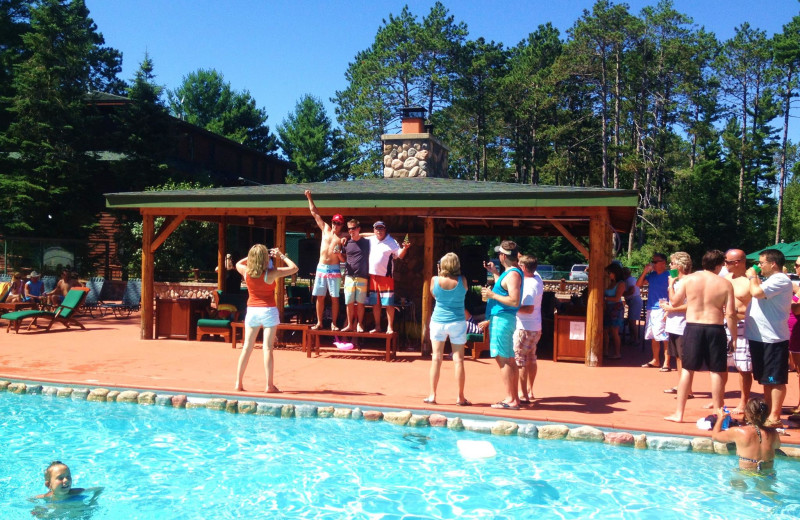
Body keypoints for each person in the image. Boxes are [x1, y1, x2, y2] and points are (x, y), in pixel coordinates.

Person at [665, 250, 736, 423]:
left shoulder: (688, 279)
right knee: (716, 371)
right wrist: (733, 336)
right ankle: (719, 414)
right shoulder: (725, 284)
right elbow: (731, 313)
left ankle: (679, 414)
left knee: (687, 370)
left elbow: (674, 302)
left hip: (693, 327)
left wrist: (671, 285)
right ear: (718, 265)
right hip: (715, 328)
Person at [234, 244, 298, 393]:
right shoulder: (272, 273)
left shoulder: (246, 272)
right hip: (268, 310)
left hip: (252, 311)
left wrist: (251, 257)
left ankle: (238, 383)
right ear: (264, 259)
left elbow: (238, 263)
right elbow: (294, 268)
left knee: (247, 347)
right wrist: (280, 256)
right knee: (268, 348)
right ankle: (269, 385)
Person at [745, 248, 793, 428]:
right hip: (760, 337)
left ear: (773, 264)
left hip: (773, 338)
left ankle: (775, 416)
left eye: (761, 263)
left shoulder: (780, 279)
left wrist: (752, 276)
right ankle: (768, 415)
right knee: (766, 379)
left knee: (776, 380)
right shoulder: (769, 280)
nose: (758, 266)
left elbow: (756, 292)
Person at [480, 240, 523, 410]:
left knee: (503, 359)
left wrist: (492, 295)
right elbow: (504, 289)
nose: (498, 256)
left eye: (499, 254)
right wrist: (495, 273)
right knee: (508, 359)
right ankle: (514, 398)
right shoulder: (509, 273)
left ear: (503, 256)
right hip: (503, 318)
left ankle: (510, 399)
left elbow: (513, 300)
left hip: (503, 319)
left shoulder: (513, 274)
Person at [425, 252, 470, 406]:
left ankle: (432, 395)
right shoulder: (462, 280)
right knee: (459, 360)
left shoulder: (434, 280)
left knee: (436, 358)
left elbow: (435, 295)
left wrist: (439, 275)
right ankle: (460, 397)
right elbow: (465, 290)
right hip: (457, 322)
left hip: (438, 321)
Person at [305, 190, 345, 331]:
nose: (336, 225)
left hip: (334, 268)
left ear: (342, 225)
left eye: (338, 223)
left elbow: (360, 234)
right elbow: (315, 213)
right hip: (321, 267)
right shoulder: (326, 229)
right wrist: (309, 197)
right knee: (320, 297)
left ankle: (334, 323)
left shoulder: (343, 236)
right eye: (334, 222)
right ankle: (319, 322)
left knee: (334, 298)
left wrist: (374, 234)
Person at [711, 398, 780, 474]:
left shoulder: (738, 431)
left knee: (736, 482)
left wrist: (721, 418)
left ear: (747, 413)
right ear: (767, 414)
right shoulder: (774, 432)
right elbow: (777, 446)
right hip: (767, 471)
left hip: (745, 471)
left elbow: (715, 436)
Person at [723, 249, 754, 414]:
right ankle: (719, 399)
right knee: (721, 364)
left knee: (743, 367)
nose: (724, 264)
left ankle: (743, 402)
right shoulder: (725, 279)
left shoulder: (750, 282)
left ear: (738, 262)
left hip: (743, 326)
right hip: (724, 325)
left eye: (727, 261)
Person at [367, 220, 410, 334]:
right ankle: (377, 327)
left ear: (385, 229)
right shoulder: (371, 239)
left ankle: (390, 327)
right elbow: (360, 236)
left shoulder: (392, 241)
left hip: (386, 277)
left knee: (388, 303)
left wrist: (405, 248)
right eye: (377, 228)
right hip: (373, 277)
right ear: (374, 230)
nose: (379, 231)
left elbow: (400, 255)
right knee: (375, 303)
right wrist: (348, 235)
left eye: (381, 228)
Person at [515, 255, 544, 403]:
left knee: (521, 360)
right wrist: (520, 255)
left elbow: (528, 308)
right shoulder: (537, 278)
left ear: (524, 268)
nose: (518, 267)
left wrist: (511, 307)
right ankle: (530, 391)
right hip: (535, 327)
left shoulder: (528, 285)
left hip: (524, 327)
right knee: (531, 358)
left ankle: (522, 394)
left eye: (520, 265)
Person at [662, 252, 691, 394]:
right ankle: (682, 386)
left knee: (684, 358)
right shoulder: (678, 281)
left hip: (683, 326)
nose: (670, 265)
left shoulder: (687, 281)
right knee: (678, 358)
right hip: (674, 325)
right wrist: (669, 311)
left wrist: (670, 286)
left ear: (679, 265)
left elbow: (687, 304)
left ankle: (688, 389)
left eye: (672, 263)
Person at [637, 253, 670, 369]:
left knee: (664, 336)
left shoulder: (670, 274)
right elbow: (638, 284)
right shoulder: (652, 275)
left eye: (656, 262)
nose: (653, 264)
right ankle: (655, 359)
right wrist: (645, 271)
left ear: (663, 263)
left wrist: (669, 308)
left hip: (663, 307)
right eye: (653, 262)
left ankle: (667, 362)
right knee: (653, 335)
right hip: (651, 308)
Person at [339, 219, 370, 332]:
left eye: (353, 228)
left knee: (360, 303)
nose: (351, 231)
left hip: (362, 276)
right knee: (349, 302)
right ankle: (350, 325)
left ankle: (360, 324)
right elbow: (343, 259)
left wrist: (359, 234)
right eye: (349, 229)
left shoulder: (366, 242)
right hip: (349, 276)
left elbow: (375, 235)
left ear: (358, 228)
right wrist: (338, 255)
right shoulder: (346, 243)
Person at [33, 461, 103, 501]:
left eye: (68, 477)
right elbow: (31, 499)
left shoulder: (76, 492)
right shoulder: (47, 496)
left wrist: (92, 502)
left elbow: (100, 489)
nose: (66, 480)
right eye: (60, 478)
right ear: (48, 485)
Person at [603, 262, 626, 360]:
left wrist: (604, 298)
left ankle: (617, 353)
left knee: (614, 331)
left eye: (610, 272)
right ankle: (606, 351)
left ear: (615, 272)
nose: (609, 275)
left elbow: (617, 298)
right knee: (605, 330)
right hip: (608, 308)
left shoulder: (621, 283)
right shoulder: (611, 282)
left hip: (616, 308)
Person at [789, 257, 800, 414]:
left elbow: (797, 309)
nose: (795, 267)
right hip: (795, 333)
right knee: (798, 371)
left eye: (798, 265)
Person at [622, 267, 642, 345]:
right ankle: (632, 338)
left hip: (634, 300)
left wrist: (621, 293)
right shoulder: (631, 279)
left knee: (632, 321)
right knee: (631, 320)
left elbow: (631, 291)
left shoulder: (629, 280)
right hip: (633, 301)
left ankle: (636, 339)